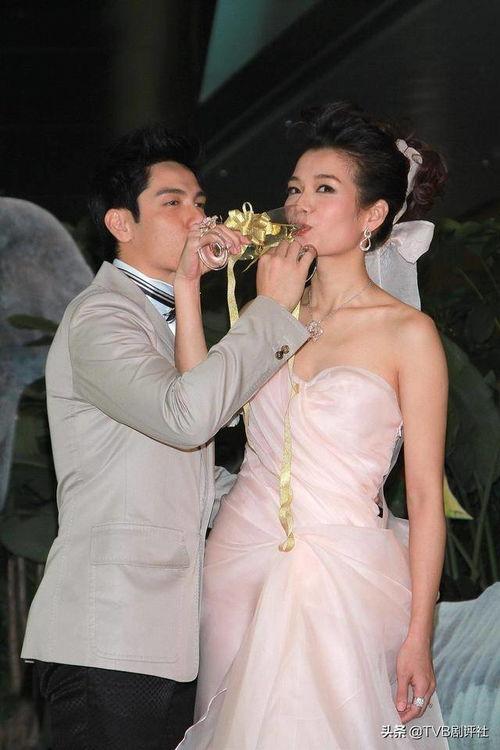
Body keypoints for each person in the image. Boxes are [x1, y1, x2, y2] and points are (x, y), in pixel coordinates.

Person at [20, 124, 316, 750]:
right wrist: (271, 311)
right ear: (120, 223)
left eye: (200, 202)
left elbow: (191, 462)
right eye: (172, 202)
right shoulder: (101, 316)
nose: (197, 218)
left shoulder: (166, 317)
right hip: (110, 635)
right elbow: (187, 419)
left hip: (166, 636)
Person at [176, 103, 451, 749]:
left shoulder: (407, 333)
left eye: (325, 189)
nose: (300, 204)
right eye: (295, 188)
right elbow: (198, 408)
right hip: (237, 558)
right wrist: (189, 286)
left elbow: (424, 498)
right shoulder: (273, 310)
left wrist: (419, 635)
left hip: (342, 574)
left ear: (372, 215)